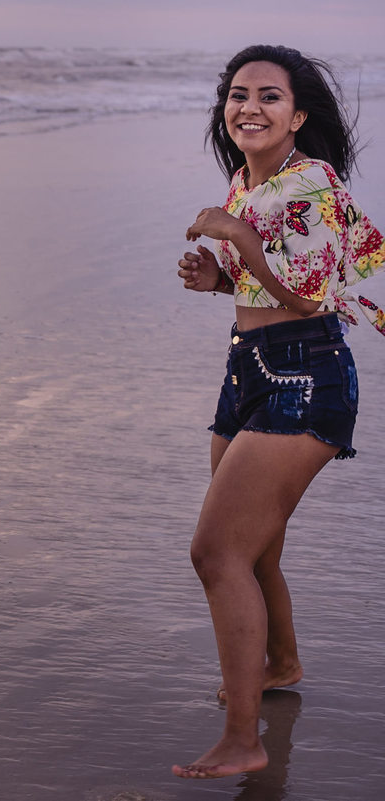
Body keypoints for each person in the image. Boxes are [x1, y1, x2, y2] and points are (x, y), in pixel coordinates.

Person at [173, 44, 385, 779]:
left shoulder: (313, 184)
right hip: (249, 371)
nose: (249, 107)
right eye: (238, 94)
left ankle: (244, 737)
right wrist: (213, 277)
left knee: (215, 552)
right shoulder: (245, 181)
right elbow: (254, 283)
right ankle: (282, 661)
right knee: (253, 548)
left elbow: (306, 294)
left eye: (268, 96)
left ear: (297, 116)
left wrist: (237, 239)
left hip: (306, 374)